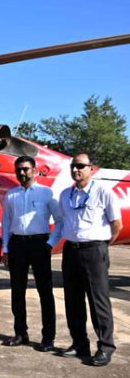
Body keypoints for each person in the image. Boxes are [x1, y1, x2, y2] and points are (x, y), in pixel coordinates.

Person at [58, 153, 123, 366]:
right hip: (71, 249)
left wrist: (102, 246)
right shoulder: (65, 194)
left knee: (98, 301)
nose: (76, 169)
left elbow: (117, 224)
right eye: (73, 166)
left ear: (91, 169)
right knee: (73, 300)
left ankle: (105, 346)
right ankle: (79, 343)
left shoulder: (104, 192)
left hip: (94, 249)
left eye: (81, 166)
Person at [2, 155, 62, 351]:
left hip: (39, 244)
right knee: (17, 291)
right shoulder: (11, 195)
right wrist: (5, 248)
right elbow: (6, 224)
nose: (22, 172)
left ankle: (48, 337)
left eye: (26, 169)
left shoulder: (47, 193)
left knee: (45, 292)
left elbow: (60, 221)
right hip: (18, 244)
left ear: (34, 170)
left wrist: (51, 243)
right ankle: (21, 333)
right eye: (19, 169)